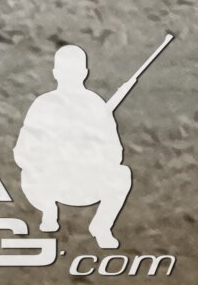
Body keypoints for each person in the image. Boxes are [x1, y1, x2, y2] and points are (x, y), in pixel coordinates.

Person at [14, 45, 136, 249]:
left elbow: (115, 153)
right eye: (66, 71)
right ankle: (48, 211)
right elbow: (23, 150)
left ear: (84, 73)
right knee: (28, 173)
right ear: (56, 73)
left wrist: (88, 152)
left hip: (86, 183)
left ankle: (102, 226)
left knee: (121, 174)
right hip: (50, 183)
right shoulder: (43, 104)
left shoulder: (96, 105)